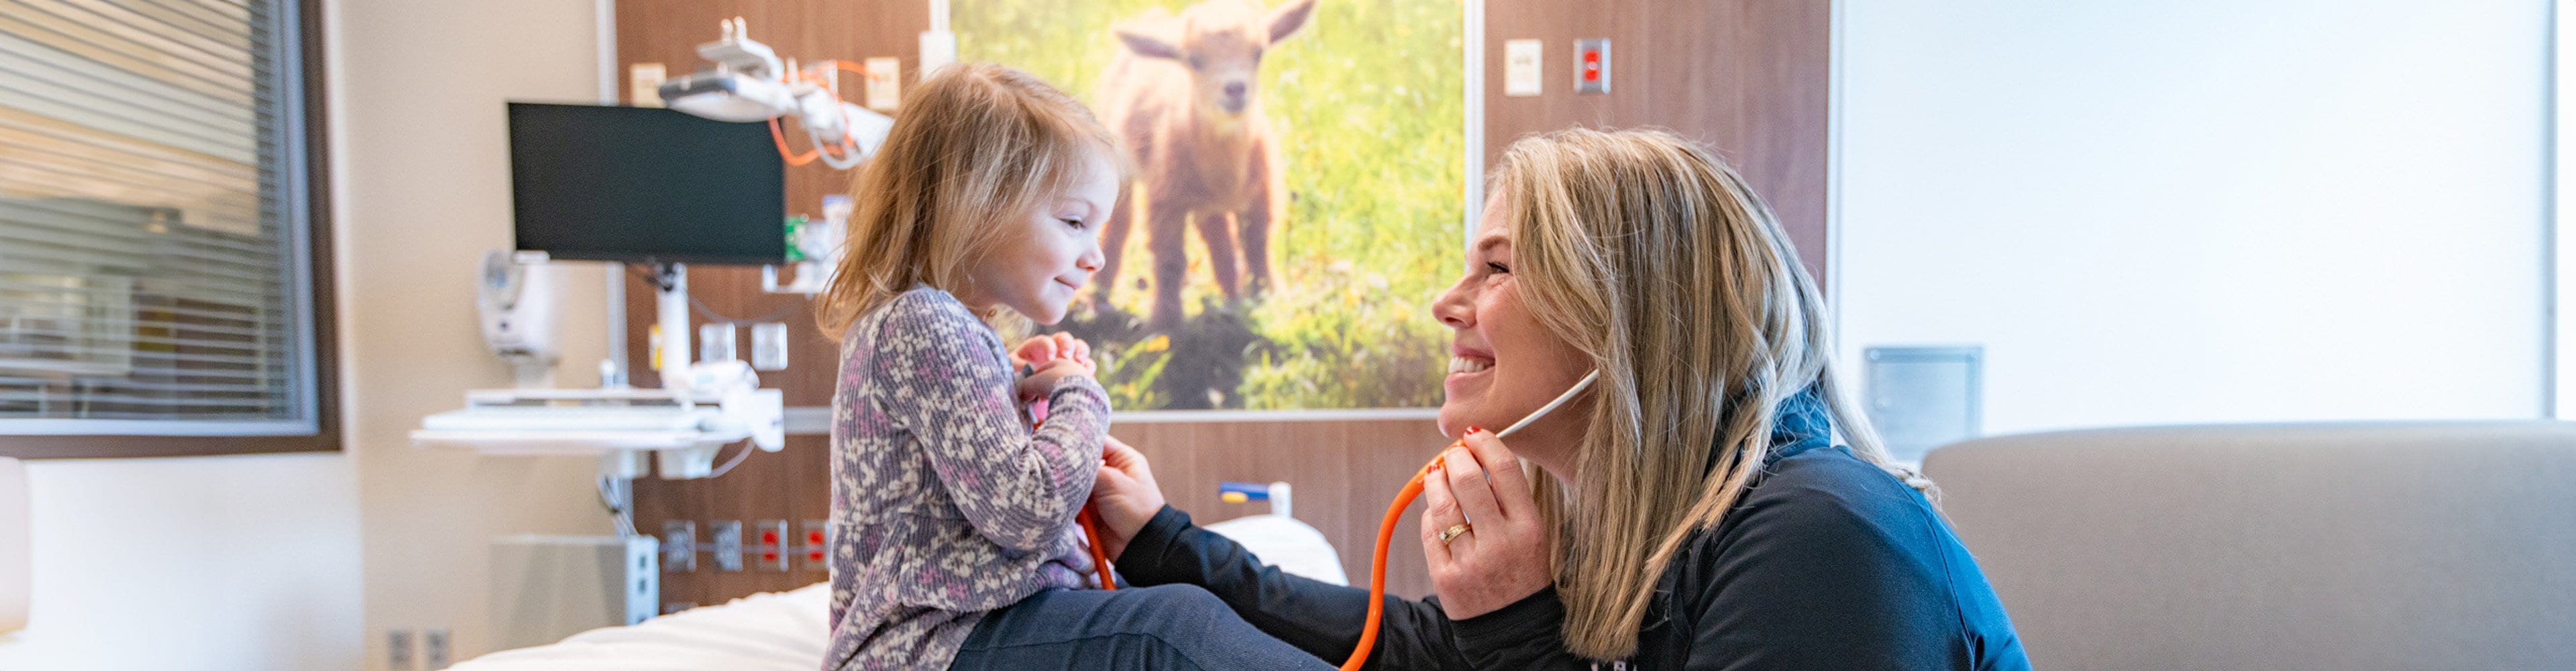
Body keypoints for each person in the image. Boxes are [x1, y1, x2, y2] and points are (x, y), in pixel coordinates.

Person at [1083, 128, 2035, 670]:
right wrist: (1165, 542)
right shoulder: (1646, 518)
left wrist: (1514, 630)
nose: (1444, 305)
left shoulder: (1821, 536)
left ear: (1630, 314)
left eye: (1496, 268)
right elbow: (1424, 648)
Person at [811, 62, 1332, 671]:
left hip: (966, 632)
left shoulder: (939, 331)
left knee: (1175, 615)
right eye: (1074, 222)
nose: (1096, 256)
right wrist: (1080, 395)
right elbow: (1026, 511)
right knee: (1168, 629)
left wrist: (1022, 392)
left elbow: (974, 497)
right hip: (926, 644)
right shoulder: (923, 322)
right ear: (975, 202)